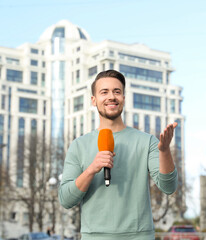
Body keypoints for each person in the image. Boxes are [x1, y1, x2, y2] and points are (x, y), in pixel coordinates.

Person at [58, 70, 178, 240]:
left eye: (117, 91)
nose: (111, 97)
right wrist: (91, 169)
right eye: (104, 92)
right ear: (94, 100)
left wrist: (164, 151)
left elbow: (169, 187)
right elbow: (66, 199)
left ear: (123, 98)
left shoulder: (147, 142)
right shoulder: (79, 146)